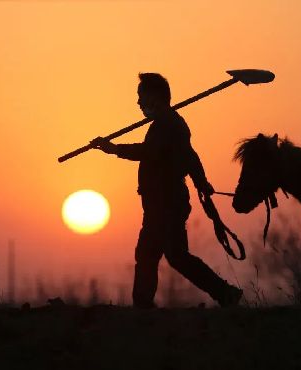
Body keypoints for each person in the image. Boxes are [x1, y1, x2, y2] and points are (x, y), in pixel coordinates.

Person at [91, 73, 242, 308]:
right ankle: (225, 293)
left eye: (142, 97)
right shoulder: (168, 123)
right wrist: (200, 181)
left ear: (155, 97)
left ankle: (142, 308)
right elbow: (191, 156)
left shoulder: (169, 124)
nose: (139, 103)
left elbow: (150, 152)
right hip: (164, 202)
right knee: (177, 257)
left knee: (147, 254)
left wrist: (114, 149)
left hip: (166, 203)